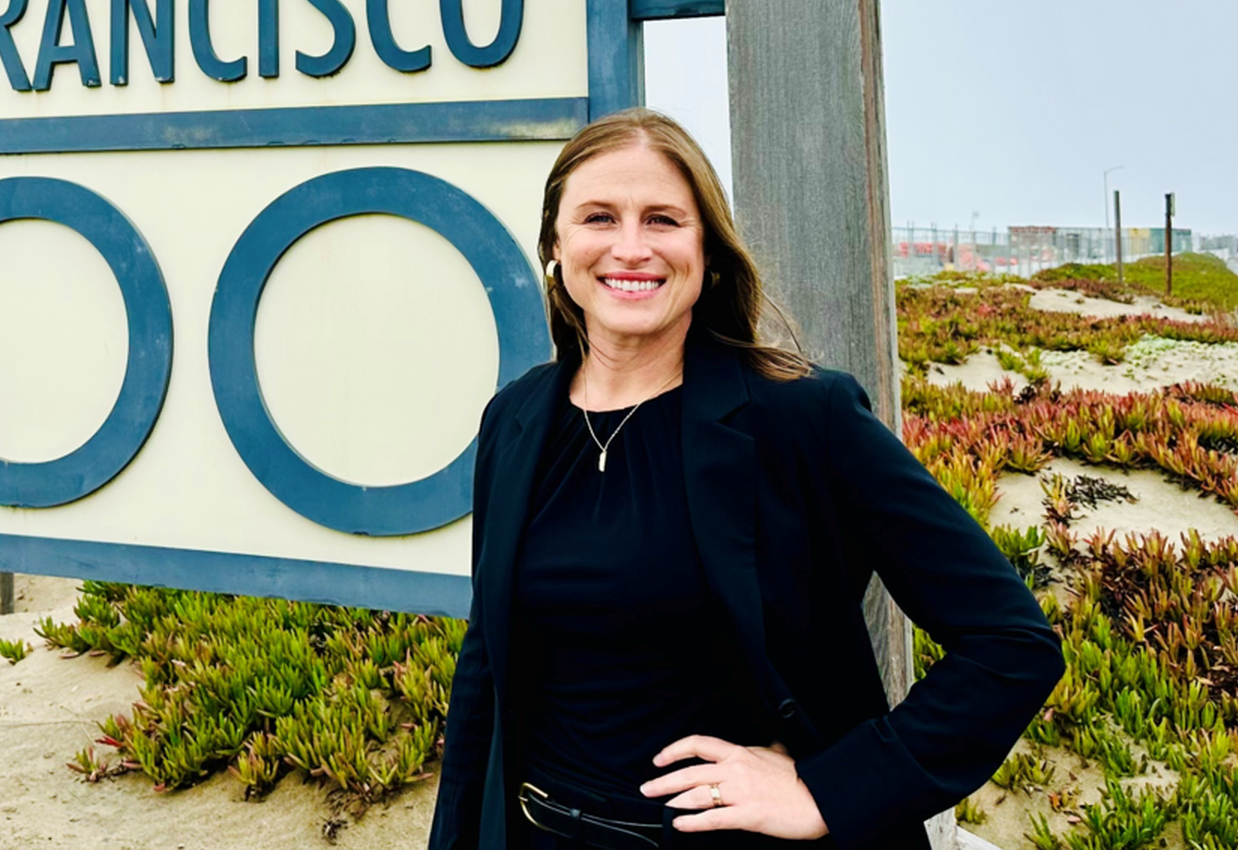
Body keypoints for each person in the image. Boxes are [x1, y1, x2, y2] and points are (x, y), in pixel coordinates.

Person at [428, 109, 1064, 850]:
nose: (630, 248)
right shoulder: (516, 418)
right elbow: (486, 671)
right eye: (599, 216)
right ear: (556, 246)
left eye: (663, 220)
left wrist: (828, 788)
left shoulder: (802, 416)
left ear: (709, 251)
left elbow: (1011, 644)